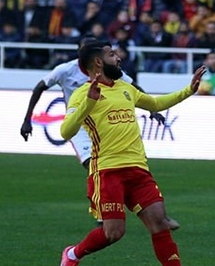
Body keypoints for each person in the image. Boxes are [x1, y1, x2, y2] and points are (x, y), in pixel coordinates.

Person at [57, 41, 206, 266]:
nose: (118, 58)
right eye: (112, 54)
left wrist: (188, 90)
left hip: (137, 168)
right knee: (113, 233)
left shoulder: (125, 88)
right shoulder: (82, 94)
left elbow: (155, 104)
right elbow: (65, 131)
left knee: (159, 222)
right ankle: (72, 255)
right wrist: (89, 102)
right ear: (98, 61)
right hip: (107, 171)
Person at [20, 37, 166, 169]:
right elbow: (40, 87)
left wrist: (151, 108)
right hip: (79, 123)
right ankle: (103, 196)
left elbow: (133, 86)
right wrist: (27, 119)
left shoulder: (108, 70)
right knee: (91, 164)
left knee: (124, 163)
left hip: (104, 121)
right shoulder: (65, 70)